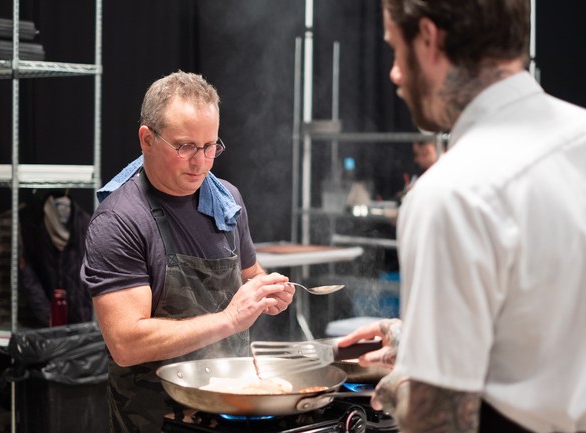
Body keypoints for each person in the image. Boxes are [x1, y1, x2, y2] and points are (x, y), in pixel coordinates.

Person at [339, 0, 586, 432]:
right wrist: (421, 338)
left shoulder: (450, 193)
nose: (395, 73)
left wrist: (403, 383)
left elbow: (441, 424)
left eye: (396, 50)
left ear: (430, 39)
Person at [80, 71, 295, 432]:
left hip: (231, 403)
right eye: (185, 147)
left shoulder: (225, 200)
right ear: (147, 139)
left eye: (210, 146)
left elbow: (249, 275)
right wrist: (229, 319)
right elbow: (127, 343)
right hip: (156, 416)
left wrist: (267, 290)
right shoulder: (120, 220)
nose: (201, 163)